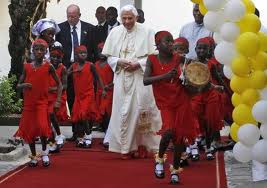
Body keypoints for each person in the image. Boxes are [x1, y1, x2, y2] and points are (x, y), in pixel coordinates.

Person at [102, 4, 161, 159]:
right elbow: (109, 57)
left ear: (136, 17)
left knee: (142, 110)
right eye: (124, 18)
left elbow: (153, 56)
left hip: (140, 77)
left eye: (130, 18)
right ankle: (125, 148)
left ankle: (143, 146)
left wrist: (138, 64)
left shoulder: (147, 31)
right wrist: (118, 61)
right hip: (122, 77)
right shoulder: (115, 32)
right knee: (123, 112)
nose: (127, 21)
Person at [144, 31, 197, 184]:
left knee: (179, 136)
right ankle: (160, 159)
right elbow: (146, 80)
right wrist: (165, 76)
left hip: (181, 100)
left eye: (171, 41)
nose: (171, 44)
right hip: (165, 102)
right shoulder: (151, 59)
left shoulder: (179, 58)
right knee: (168, 132)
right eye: (167, 41)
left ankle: (175, 170)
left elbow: (194, 66)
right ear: (158, 45)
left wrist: (190, 76)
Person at [15, 39, 62, 167]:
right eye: (37, 49)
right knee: (30, 131)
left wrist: (58, 100)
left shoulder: (49, 66)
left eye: (42, 50)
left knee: (42, 128)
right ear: (33, 51)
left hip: (42, 103)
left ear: (46, 51)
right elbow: (18, 85)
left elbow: (60, 84)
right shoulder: (27, 67)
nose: (39, 52)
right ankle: (34, 156)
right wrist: (24, 85)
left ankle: (45, 153)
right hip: (29, 105)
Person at [56, 4, 97, 142]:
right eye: (68, 16)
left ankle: (87, 132)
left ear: (79, 15)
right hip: (69, 69)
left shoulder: (90, 29)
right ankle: (76, 132)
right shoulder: (60, 28)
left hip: (86, 70)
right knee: (73, 101)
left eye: (73, 16)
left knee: (86, 103)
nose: (70, 18)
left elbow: (94, 51)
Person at [190, 38, 224, 161]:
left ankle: (208, 147)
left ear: (209, 50)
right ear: (195, 49)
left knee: (209, 122)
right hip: (196, 96)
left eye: (204, 48)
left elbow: (218, 79)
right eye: (199, 48)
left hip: (210, 96)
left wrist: (227, 90)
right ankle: (193, 146)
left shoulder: (211, 64)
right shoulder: (191, 64)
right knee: (194, 122)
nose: (201, 50)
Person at [68, 45, 105, 148]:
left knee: (83, 115)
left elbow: (98, 78)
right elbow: (65, 74)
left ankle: (88, 136)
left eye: (85, 53)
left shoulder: (90, 65)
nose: (83, 55)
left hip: (88, 94)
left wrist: (103, 90)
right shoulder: (74, 66)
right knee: (78, 118)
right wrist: (72, 72)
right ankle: (80, 138)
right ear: (76, 55)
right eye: (81, 53)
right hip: (78, 96)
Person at [48, 45, 69, 151]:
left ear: (61, 58)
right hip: (47, 95)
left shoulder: (63, 68)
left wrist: (53, 89)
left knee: (52, 114)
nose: (55, 59)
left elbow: (65, 85)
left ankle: (59, 134)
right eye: (53, 57)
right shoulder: (47, 66)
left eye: (57, 57)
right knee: (48, 119)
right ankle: (52, 143)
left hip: (59, 95)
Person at [95, 42, 114, 148]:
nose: (102, 53)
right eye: (99, 51)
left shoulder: (111, 63)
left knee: (107, 113)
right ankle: (106, 134)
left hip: (109, 92)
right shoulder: (96, 64)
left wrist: (109, 86)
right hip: (99, 92)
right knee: (101, 114)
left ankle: (109, 135)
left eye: (104, 50)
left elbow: (116, 78)